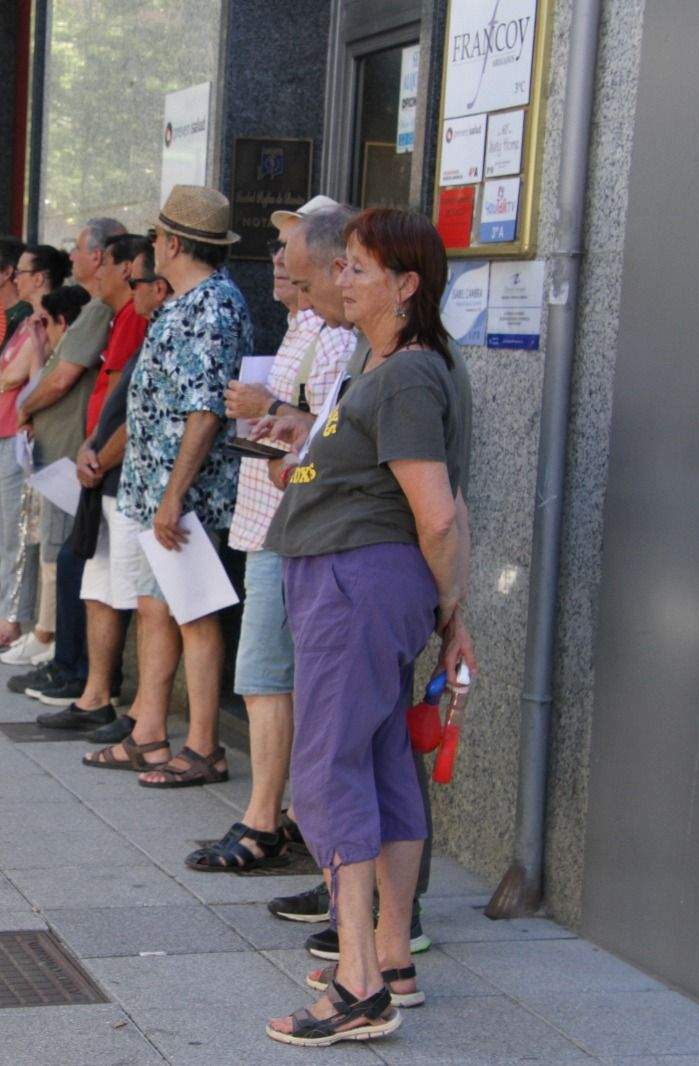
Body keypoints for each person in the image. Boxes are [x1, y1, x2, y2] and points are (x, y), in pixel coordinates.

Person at [259, 208, 474, 1048]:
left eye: (355, 267)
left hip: (357, 582)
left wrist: (452, 614)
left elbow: (439, 513)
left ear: (405, 285)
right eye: (339, 265)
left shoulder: (408, 374)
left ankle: (356, 986)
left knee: (325, 773)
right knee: (381, 765)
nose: (339, 280)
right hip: (363, 578)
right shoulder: (385, 368)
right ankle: (390, 962)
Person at [186, 202, 356, 872]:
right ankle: (281, 815)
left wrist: (270, 412)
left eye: (291, 248)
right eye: (280, 247)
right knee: (269, 677)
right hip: (269, 522)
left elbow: (336, 430)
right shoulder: (302, 325)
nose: (279, 259)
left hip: (292, 525)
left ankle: (267, 819)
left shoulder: (336, 334)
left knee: (266, 675)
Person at [82, 185, 251, 789]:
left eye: (156, 236)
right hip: (155, 491)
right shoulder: (184, 302)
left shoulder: (213, 306)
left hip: (188, 497)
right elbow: (154, 404)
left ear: (174, 244)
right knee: (157, 609)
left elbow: (204, 411)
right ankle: (149, 733)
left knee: (196, 616)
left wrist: (175, 496)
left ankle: (205, 746)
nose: (152, 245)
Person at [33, 238, 168, 733]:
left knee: (137, 595)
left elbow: (142, 413)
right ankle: (94, 695)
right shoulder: (131, 319)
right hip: (102, 472)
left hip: (128, 477)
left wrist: (99, 455)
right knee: (96, 582)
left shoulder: (147, 322)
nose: (129, 287)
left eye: (134, 279)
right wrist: (91, 450)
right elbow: (112, 396)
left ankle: (136, 714)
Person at [11, 218, 126, 676]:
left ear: (99, 257)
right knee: (64, 554)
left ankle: (70, 661)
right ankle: (64, 658)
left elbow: (61, 379)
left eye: (78, 250)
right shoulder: (97, 308)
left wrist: (24, 407)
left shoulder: (98, 311)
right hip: (68, 454)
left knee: (70, 555)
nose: (72, 257)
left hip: (76, 455)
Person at [0, 242, 64, 652]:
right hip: (2, 430)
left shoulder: (44, 322)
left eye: (20, 272)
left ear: (39, 278)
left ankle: (14, 619)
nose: (15, 279)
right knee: (6, 530)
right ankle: (8, 614)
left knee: (18, 532)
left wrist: (7, 374)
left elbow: (15, 377)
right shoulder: (24, 324)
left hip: (21, 437)